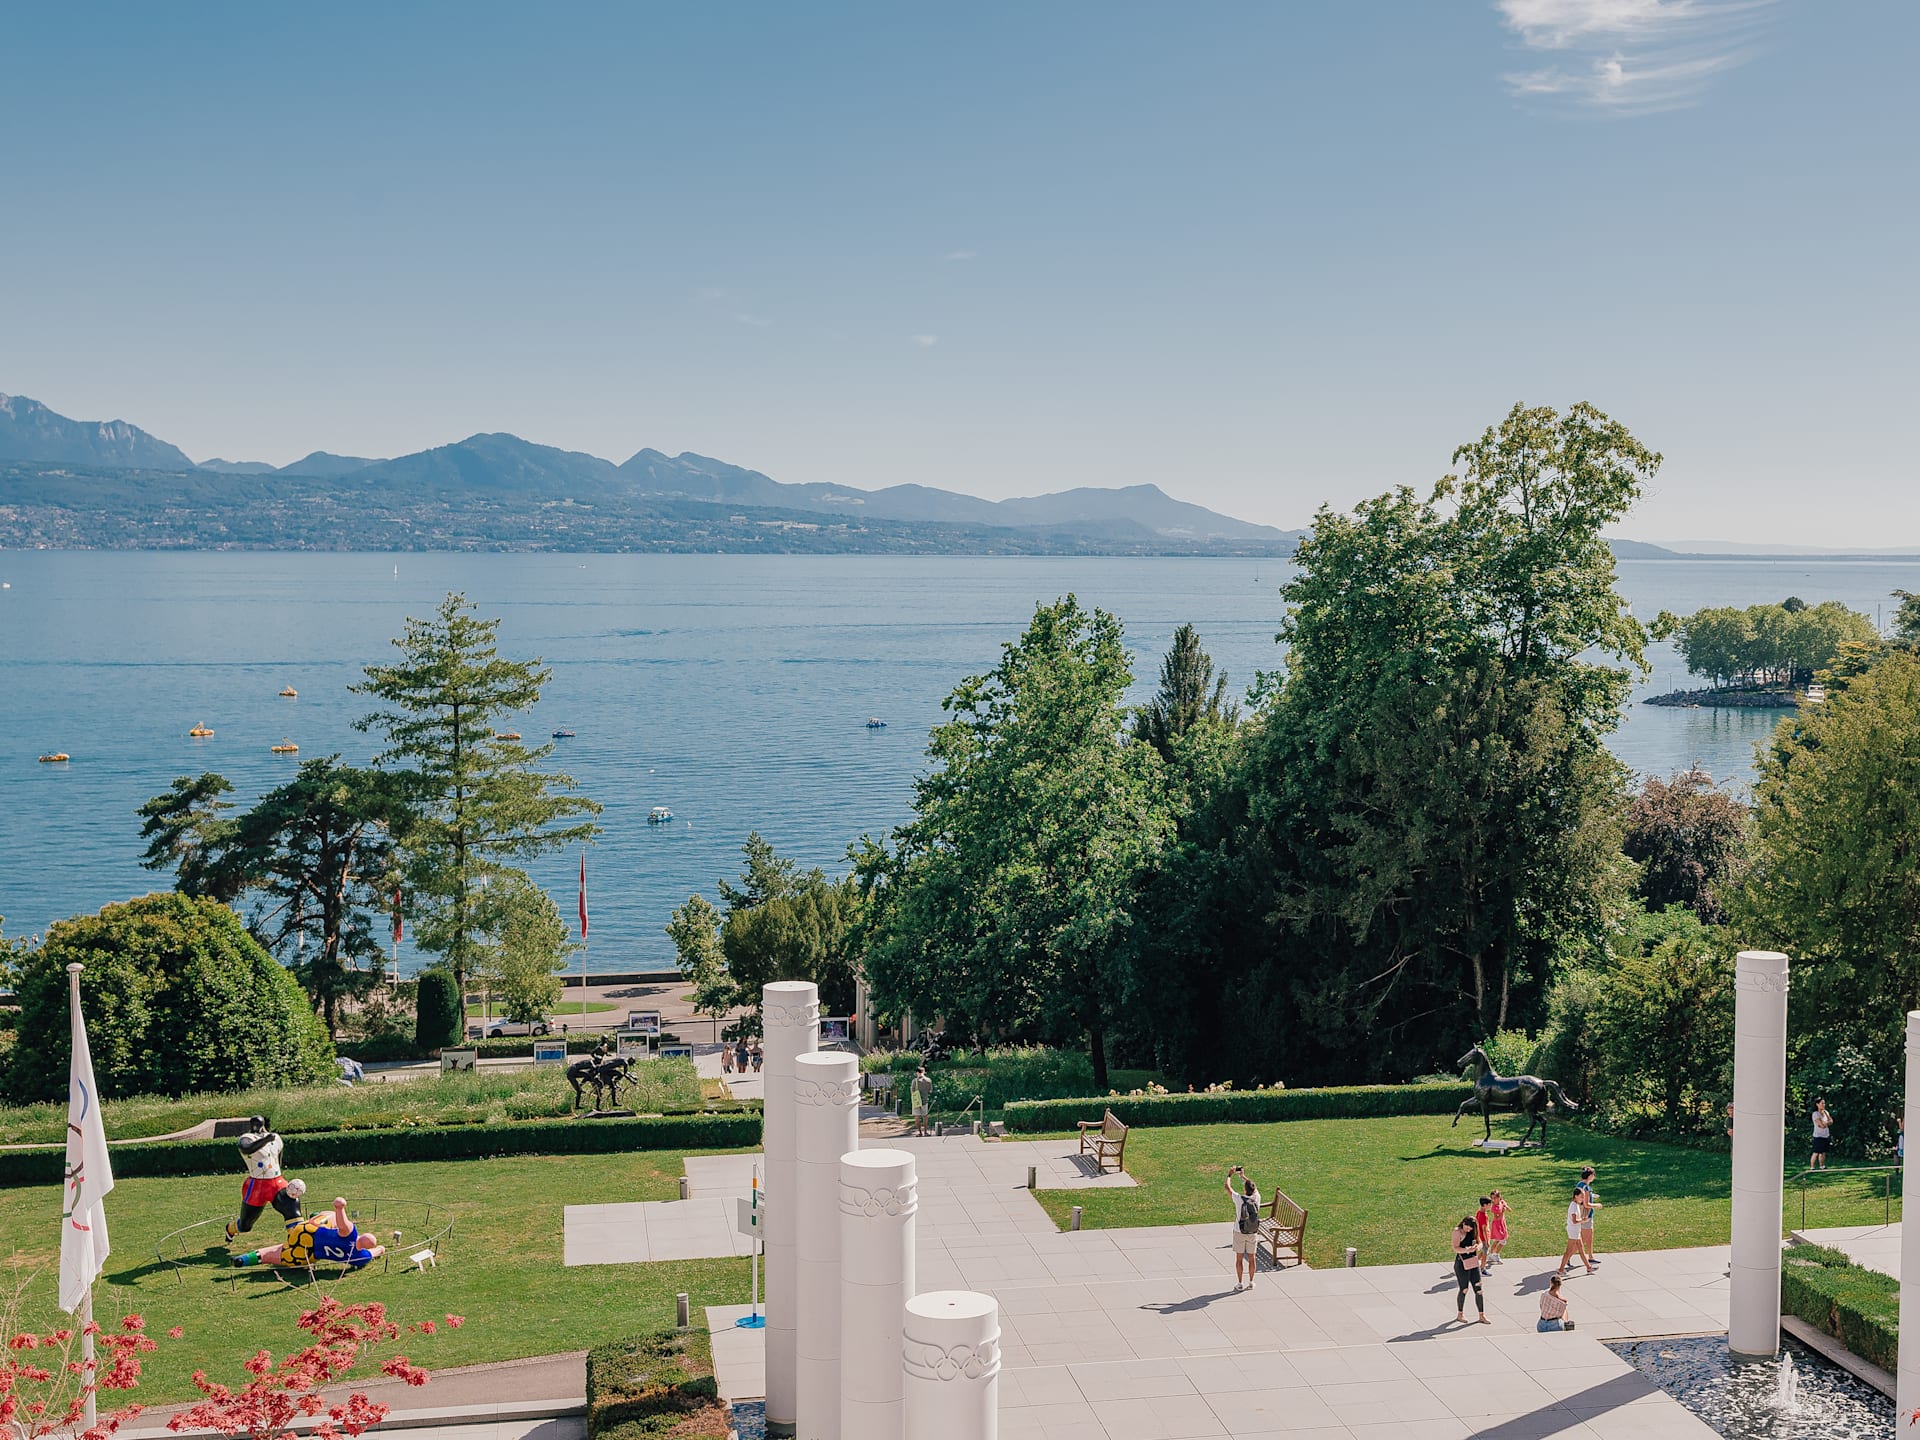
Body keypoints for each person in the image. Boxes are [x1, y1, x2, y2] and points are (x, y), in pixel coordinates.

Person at [234, 1195, 385, 1271]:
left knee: (325, 1217)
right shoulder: (359, 1257)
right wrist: (380, 1249)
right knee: (277, 1254)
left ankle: (307, 1213)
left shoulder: (351, 1235)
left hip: (309, 1231)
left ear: (362, 1236)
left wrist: (340, 1208)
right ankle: (243, 1260)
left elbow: (343, 1224)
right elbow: (376, 1251)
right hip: (308, 1255)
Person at [1225, 1166, 1262, 1291]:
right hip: (1252, 1232)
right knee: (1252, 1258)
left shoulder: (1239, 1199)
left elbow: (1227, 1187)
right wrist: (1243, 1176)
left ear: (1244, 1190)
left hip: (1239, 1231)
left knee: (1239, 1258)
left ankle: (1240, 1283)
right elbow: (1254, 1187)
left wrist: (1230, 1175)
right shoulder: (1257, 1198)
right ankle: (1251, 1282)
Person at [1451, 1216, 1488, 1324]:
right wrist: (1466, 1250)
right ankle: (1460, 1314)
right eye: (1467, 1227)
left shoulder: (1473, 1231)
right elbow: (1455, 1247)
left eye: (1470, 1228)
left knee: (1478, 1289)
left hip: (1473, 1261)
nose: (1468, 1230)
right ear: (1463, 1223)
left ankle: (1482, 1315)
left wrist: (1477, 1247)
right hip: (1462, 1263)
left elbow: (1480, 1242)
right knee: (1464, 1289)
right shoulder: (1457, 1232)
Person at [1556, 1183, 1593, 1277]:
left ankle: (1588, 1267)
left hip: (1576, 1230)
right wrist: (1583, 1220)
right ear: (1576, 1196)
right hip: (1573, 1231)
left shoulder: (1576, 1204)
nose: (1582, 1199)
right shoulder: (1573, 1206)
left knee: (1581, 1249)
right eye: (1581, 1197)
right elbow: (1574, 1220)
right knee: (1568, 1251)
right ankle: (1560, 1270)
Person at [1577, 1166, 1600, 1268]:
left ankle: (1590, 1256)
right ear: (1590, 1176)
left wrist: (1592, 1195)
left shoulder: (1580, 1185)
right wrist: (1597, 1205)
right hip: (1586, 1215)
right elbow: (1586, 1204)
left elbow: (1583, 1197)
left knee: (1590, 1236)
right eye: (1593, 1175)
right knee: (1583, 1238)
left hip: (1584, 1215)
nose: (1594, 1177)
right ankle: (1568, 1256)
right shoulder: (1586, 1187)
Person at [1486, 1191, 1511, 1267]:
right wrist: (1502, 1212)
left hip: (1502, 1224)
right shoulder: (1494, 1207)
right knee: (1502, 1240)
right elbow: (1497, 1218)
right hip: (1497, 1225)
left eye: (1495, 1198)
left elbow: (1510, 1210)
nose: (1493, 1200)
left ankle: (1491, 1255)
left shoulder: (1502, 1202)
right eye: (1492, 1198)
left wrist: (1506, 1207)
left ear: (1499, 1197)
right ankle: (1496, 1254)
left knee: (1497, 1240)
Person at [1811, 1098, 1833, 1170]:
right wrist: (1827, 1123)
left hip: (1825, 1135)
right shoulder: (1815, 1114)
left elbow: (1831, 1121)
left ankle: (1822, 1166)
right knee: (1816, 1152)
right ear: (1817, 1104)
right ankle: (1812, 1167)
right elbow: (1821, 1125)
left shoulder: (1826, 1112)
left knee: (1823, 1152)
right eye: (1822, 1103)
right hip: (1818, 1136)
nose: (1823, 1105)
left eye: (1824, 1103)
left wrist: (1825, 1123)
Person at [911, 1065, 934, 1136]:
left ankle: (920, 1132)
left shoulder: (915, 1081)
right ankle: (926, 1132)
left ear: (917, 1072)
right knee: (925, 1116)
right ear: (923, 1072)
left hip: (917, 1101)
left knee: (917, 1117)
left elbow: (912, 1091)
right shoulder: (928, 1080)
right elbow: (930, 1091)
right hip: (924, 1100)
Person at [1475, 1196, 1493, 1270]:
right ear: (1485, 1205)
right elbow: (1484, 1229)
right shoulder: (1484, 1216)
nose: (1490, 1206)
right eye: (1489, 1204)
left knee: (1482, 1252)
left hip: (1479, 1236)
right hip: (1483, 1238)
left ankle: (1474, 1263)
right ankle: (1482, 1269)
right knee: (1485, 1254)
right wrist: (1487, 1241)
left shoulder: (1479, 1212)